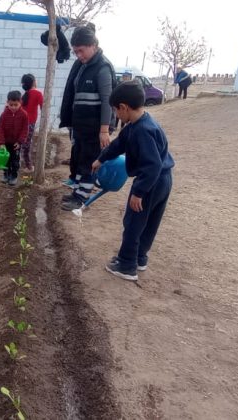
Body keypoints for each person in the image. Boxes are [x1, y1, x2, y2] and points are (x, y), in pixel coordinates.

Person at [91, 81, 175, 282]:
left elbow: (152, 165)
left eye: (115, 111)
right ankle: (140, 257)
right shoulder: (138, 124)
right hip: (163, 180)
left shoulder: (143, 131)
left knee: (134, 221)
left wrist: (139, 192)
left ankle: (127, 264)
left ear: (123, 107)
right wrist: (101, 158)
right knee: (149, 221)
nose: (116, 115)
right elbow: (119, 144)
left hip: (152, 181)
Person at [59, 26, 117, 211]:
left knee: (88, 162)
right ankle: (76, 192)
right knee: (78, 159)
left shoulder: (103, 68)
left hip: (94, 128)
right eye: (75, 52)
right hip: (81, 126)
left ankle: (82, 198)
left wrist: (104, 130)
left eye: (81, 50)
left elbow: (108, 101)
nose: (78, 55)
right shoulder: (84, 66)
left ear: (93, 45)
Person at [0, 90, 29, 186]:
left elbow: (25, 130)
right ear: (7, 103)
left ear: (20, 103)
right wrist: (1, 143)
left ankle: (13, 176)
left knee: (15, 160)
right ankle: (6, 175)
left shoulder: (24, 115)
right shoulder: (4, 115)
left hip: (16, 144)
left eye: (16, 104)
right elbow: (0, 129)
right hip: (6, 143)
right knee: (6, 160)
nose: (13, 107)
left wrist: (19, 142)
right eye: (11, 105)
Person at [20, 73, 43, 172]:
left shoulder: (24, 95)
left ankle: (17, 163)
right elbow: (43, 108)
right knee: (27, 144)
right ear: (34, 82)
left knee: (21, 142)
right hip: (30, 123)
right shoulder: (37, 94)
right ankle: (28, 166)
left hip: (21, 122)